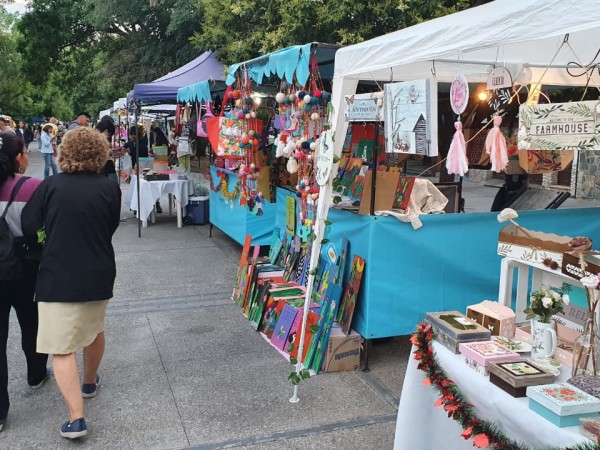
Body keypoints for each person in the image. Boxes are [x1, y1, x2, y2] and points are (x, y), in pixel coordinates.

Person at [22, 128, 121, 439]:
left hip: (57, 273)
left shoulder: (50, 186)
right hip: (99, 270)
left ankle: (77, 418)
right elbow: (110, 225)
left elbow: (28, 226)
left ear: (65, 152)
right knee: (94, 330)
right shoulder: (109, 188)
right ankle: (89, 382)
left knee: (61, 349)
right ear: (99, 153)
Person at [0, 132, 51, 432]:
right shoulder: (32, 187)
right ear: (18, 156)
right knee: (31, 321)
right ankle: (35, 373)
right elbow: (42, 227)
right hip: (25, 268)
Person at [95, 116, 118, 183]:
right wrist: (107, 154)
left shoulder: (94, 138)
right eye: (110, 135)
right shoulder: (96, 141)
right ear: (106, 131)